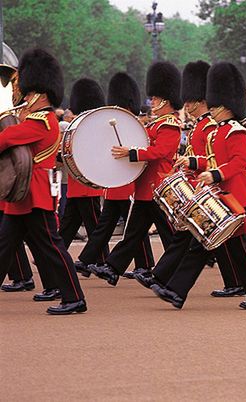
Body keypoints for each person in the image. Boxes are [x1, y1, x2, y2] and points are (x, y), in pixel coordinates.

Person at [150, 62, 246, 310]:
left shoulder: (235, 131)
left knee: (235, 249)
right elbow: (213, 160)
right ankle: (176, 291)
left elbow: (241, 161)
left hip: (233, 197)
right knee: (206, 242)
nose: (211, 109)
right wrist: (194, 162)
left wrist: (215, 175)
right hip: (218, 196)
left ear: (226, 106)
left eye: (214, 106)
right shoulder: (218, 132)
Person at [135, 60, 245, 298]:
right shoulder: (204, 127)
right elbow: (205, 158)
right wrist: (189, 165)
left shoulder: (219, 128)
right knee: (202, 238)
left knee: (206, 240)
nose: (186, 104)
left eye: (190, 100)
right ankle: (168, 280)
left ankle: (169, 282)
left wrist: (209, 172)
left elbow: (232, 162)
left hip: (220, 188)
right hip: (204, 187)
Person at [0, 48, 86, 314]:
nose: (23, 98)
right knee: (3, 247)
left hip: (34, 193)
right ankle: (70, 294)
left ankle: (74, 297)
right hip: (24, 194)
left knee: (52, 247)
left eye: (27, 93)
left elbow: (5, 139)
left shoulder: (43, 121)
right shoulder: (37, 118)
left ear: (40, 93)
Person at [89, 61, 181, 285]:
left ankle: (174, 270)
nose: (152, 102)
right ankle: (112, 268)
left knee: (170, 235)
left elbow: (160, 152)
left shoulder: (169, 125)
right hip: (144, 187)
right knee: (133, 233)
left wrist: (131, 153)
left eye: (155, 99)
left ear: (165, 101)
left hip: (158, 186)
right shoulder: (154, 124)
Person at [74, 72, 154, 279]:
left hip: (128, 182)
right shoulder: (112, 123)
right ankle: (86, 260)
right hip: (114, 183)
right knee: (105, 225)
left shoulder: (134, 126)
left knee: (135, 227)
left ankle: (144, 264)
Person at [58, 78, 109, 262]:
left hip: (88, 183)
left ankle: (103, 260)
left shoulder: (94, 127)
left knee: (94, 224)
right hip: (75, 180)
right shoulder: (79, 124)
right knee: (69, 223)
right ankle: (56, 254)